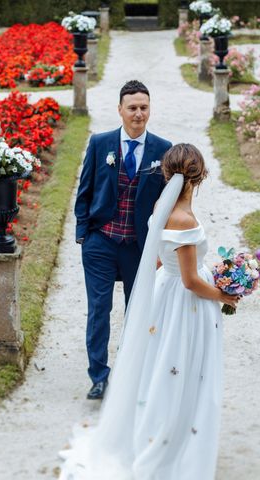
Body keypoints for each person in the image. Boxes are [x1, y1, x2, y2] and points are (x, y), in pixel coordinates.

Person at [60, 144, 239, 479]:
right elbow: (188, 282)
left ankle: (154, 430)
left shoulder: (161, 206)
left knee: (158, 367)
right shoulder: (184, 218)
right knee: (182, 370)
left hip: (162, 293)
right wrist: (222, 295)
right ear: (198, 178)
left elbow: (160, 259)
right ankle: (174, 444)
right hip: (183, 305)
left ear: (167, 174)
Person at [75, 80, 172, 400]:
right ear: (120, 110)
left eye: (144, 107)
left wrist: (161, 247)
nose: (138, 113)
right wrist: (83, 236)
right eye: (132, 107)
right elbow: (85, 191)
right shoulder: (100, 143)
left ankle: (132, 373)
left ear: (150, 109)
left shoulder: (163, 149)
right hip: (101, 241)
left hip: (139, 248)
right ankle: (99, 376)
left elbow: (169, 202)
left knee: (138, 311)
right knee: (99, 310)